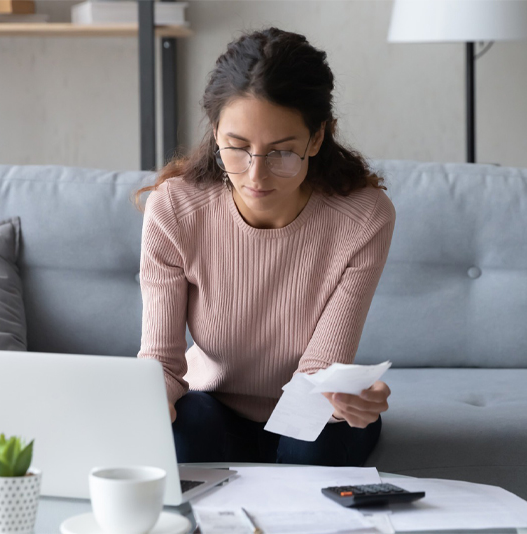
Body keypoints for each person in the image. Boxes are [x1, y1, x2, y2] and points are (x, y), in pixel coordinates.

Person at [135, 27, 396, 466]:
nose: (255, 177)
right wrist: (148, 405)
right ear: (216, 132)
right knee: (182, 435)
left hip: (312, 412)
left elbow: (318, 374)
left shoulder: (364, 218)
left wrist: (343, 399)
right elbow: (161, 362)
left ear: (317, 138)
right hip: (212, 404)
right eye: (237, 149)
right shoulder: (175, 209)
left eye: (281, 153)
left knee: (311, 446)